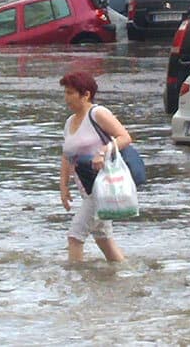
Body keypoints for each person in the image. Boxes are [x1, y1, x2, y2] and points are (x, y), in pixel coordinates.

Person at [59, 70, 132, 263]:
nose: (66, 98)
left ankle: (75, 283)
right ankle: (124, 275)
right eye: (65, 93)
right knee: (103, 238)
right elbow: (67, 156)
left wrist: (103, 152)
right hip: (86, 187)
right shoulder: (69, 122)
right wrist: (64, 186)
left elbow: (125, 137)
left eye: (70, 93)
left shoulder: (97, 113)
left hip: (102, 187)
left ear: (86, 94)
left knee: (75, 236)